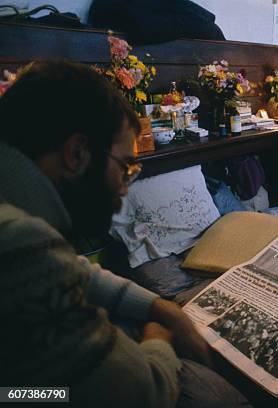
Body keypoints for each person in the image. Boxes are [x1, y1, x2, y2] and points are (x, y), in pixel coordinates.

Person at [0, 61, 249, 407]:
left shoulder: (24, 225)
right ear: (77, 153)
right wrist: (158, 336)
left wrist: (162, 307)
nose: (124, 187)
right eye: (125, 167)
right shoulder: (20, 241)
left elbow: (72, 268)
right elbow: (143, 393)